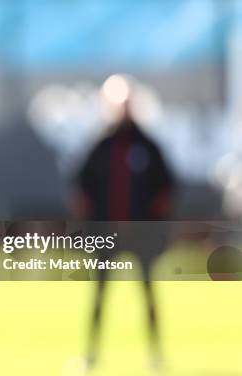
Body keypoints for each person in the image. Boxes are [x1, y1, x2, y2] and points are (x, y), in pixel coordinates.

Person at [74, 75, 174, 371]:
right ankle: (91, 354)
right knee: (100, 294)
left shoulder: (148, 145)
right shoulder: (100, 145)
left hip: (141, 234)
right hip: (106, 233)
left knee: (148, 293)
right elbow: (82, 188)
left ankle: (156, 354)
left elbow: (166, 188)